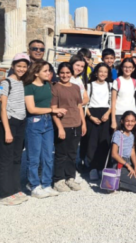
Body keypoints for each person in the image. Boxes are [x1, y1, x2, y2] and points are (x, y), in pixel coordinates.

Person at [23, 60, 67, 199]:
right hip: (34, 122)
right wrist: (53, 110)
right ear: (36, 73)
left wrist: (56, 112)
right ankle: (34, 185)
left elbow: (49, 104)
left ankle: (46, 184)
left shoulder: (48, 85)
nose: (49, 73)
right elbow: (31, 109)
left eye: (49, 70)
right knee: (34, 157)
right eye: (45, 71)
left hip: (48, 122)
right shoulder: (29, 87)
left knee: (48, 156)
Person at [0, 53, 30, 206]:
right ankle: (5, 194)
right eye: (19, 66)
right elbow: (3, 108)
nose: (21, 69)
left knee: (16, 158)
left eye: (24, 66)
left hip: (21, 122)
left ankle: (15, 189)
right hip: (9, 122)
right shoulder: (6, 82)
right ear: (13, 66)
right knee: (5, 160)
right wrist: (7, 130)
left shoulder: (25, 83)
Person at [51, 62, 86, 193]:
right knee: (61, 154)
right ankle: (58, 179)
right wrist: (59, 127)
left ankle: (70, 177)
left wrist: (83, 123)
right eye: (62, 73)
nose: (65, 75)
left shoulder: (76, 87)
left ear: (71, 73)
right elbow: (53, 109)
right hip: (63, 124)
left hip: (76, 123)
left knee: (72, 153)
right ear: (58, 73)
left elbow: (79, 106)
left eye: (67, 72)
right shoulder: (56, 87)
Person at [85, 63, 112, 181]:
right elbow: (84, 103)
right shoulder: (89, 85)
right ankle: (92, 168)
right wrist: (90, 117)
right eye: (100, 71)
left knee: (104, 141)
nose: (103, 74)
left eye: (105, 72)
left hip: (106, 114)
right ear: (96, 73)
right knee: (92, 142)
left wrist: (107, 113)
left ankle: (102, 167)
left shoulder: (110, 85)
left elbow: (112, 102)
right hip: (92, 113)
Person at [110, 58, 136, 130]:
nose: (127, 69)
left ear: (133, 69)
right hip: (119, 114)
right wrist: (113, 120)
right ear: (121, 68)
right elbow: (113, 101)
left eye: (130, 67)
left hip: (132, 113)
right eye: (125, 67)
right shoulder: (117, 81)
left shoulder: (135, 82)